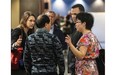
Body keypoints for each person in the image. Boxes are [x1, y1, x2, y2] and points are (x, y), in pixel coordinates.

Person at [11, 11, 36, 75]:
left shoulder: (30, 32)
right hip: (17, 66)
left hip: (25, 65)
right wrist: (15, 44)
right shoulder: (18, 30)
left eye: (34, 21)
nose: (33, 23)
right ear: (25, 20)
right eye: (30, 20)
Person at [68, 4, 85, 75]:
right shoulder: (74, 27)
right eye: (72, 14)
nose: (73, 16)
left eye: (75, 14)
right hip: (73, 65)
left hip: (79, 66)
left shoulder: (83, 30)